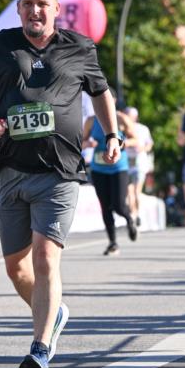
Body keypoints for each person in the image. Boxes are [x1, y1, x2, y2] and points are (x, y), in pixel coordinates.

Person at [0, 0, 120, 368]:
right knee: (16, 269)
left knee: (45, 255)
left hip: (60, 170)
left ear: (56, 9)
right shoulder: (0, 46)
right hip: (12, 168)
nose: (35, 10)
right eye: (28, 3)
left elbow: (101, 92)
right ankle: (55, 313)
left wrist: (112, 135)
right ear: (19, 9)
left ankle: (40, 348)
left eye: (42, 4)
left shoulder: (79, 47)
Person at [83, 105, 138, 256]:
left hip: (119, 168)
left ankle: (129, 219)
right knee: (105, 206)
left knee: (119, 205)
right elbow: (80, 142)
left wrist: (122, 143)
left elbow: (136, 140)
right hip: (98, 169)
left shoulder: (121, 118)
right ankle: (113, 243)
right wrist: (87, 144)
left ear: (113, 101)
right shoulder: (91, 121)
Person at [124, 106, 153, 227]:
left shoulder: (143, 129)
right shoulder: (122, 128)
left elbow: (149, 144)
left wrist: (143, 149)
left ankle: (138, 213)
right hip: (126, 163)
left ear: (135, 117)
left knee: (136, 191)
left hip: (140, 163)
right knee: (129, 192)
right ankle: (133, 214)